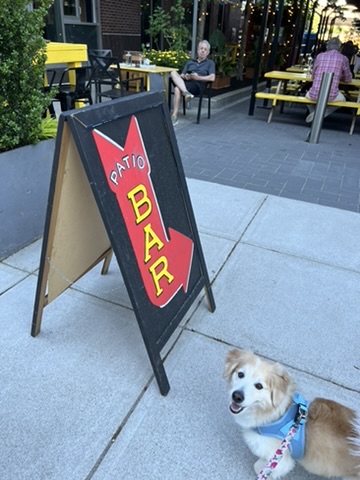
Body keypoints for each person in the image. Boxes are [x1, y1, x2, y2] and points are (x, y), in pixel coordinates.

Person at [305, 37, 352, 123]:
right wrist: (339, 76)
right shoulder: (343, 58)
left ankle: (314, 113)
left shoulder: (319, 56)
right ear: (340, 47)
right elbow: (348, 79)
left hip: (314, 93)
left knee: (306, 96)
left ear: (327, 47)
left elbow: (313, 76)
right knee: (343, 100)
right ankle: (320, 114)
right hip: (331, 95)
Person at [170, 40, 215, 125]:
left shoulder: (210, 63)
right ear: (197, 50)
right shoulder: (190, 61)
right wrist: (185, 75)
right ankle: (186, 93)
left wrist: (198, 77)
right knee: (173, 73)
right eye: (201, 48)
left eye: (205, 49)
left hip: (197, 85)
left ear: (208, 52)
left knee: (177, 89)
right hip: (186, 82)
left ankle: (174, 116)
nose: (202, 51)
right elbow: (182, 74)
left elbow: (212, 78)